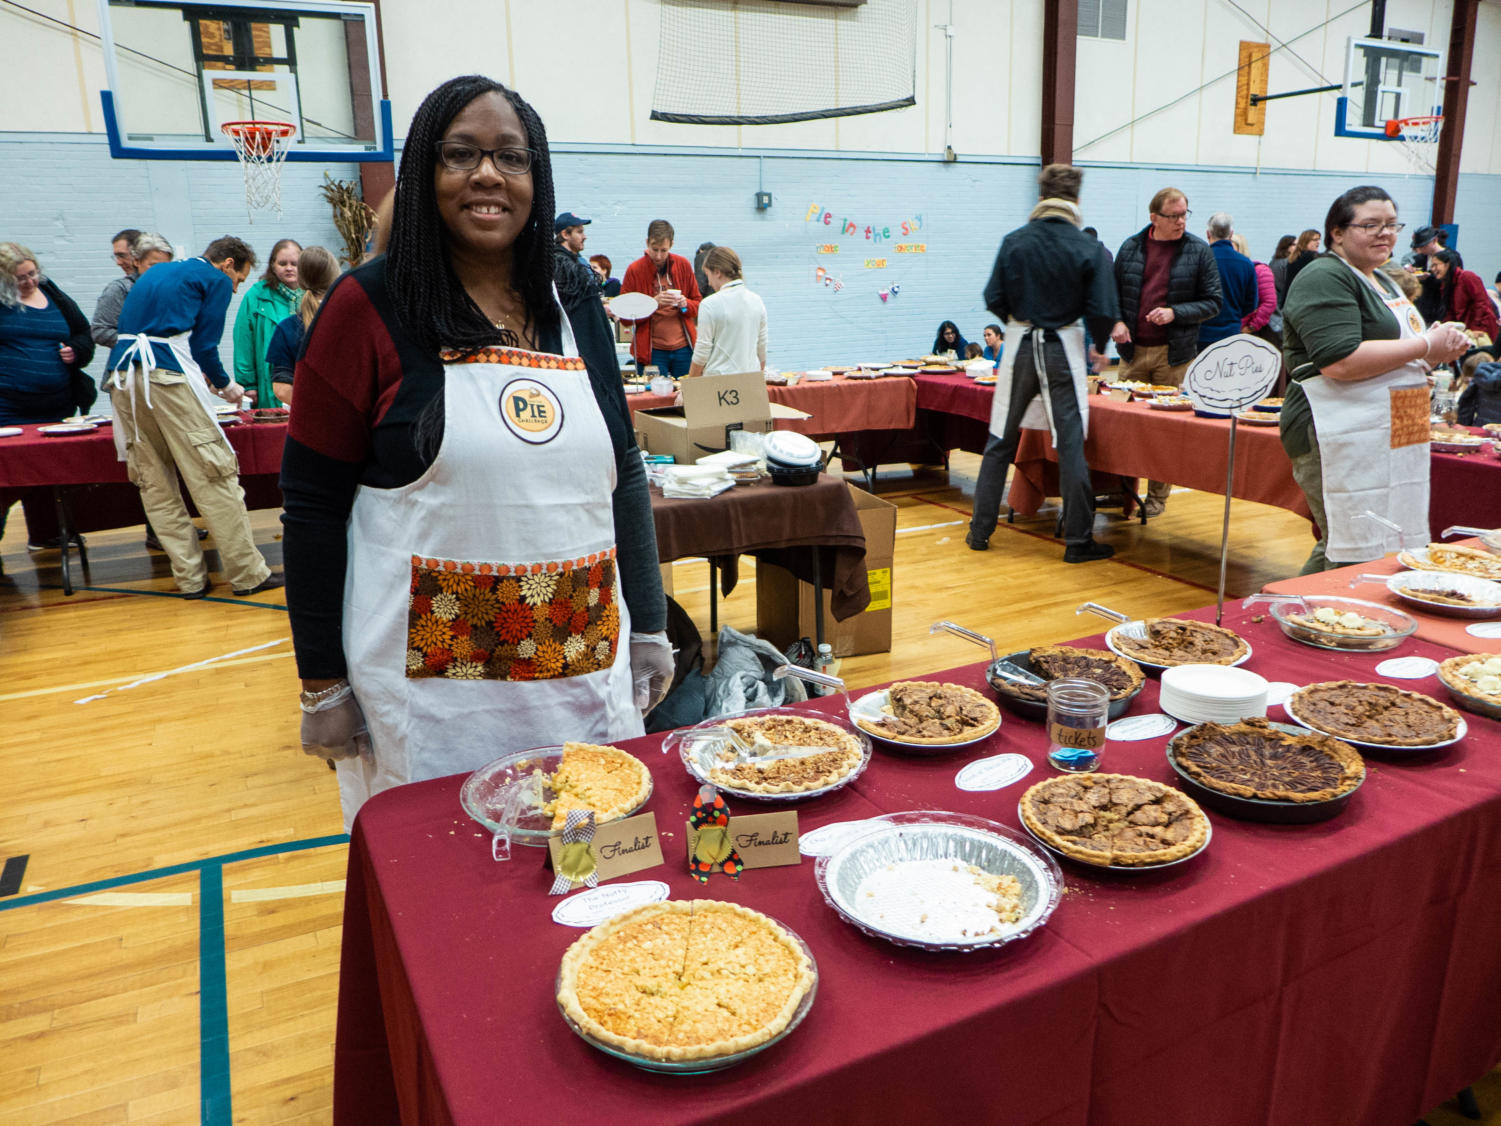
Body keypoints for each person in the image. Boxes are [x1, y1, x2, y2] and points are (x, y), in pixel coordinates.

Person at [279, 74, 671, 829]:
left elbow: (621, 466)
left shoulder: (572, 299)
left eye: (511, 157)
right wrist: (321, 680)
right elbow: (312, 506)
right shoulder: (365, 306)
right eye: (461, 154)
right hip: (435, 699)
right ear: (424, 174)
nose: (488, 174)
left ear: (537, 176)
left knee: (582, 879)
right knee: (460, 901)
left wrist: (649, 626)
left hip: (582, 673)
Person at [1279, 186, 1468, 574]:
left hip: (1394, 423)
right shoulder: (1325, 276)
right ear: (1337, 232)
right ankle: (1312, 618)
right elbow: (1340, 362)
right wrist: (1424, 345)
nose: (1385, 233)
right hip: (1337, 427)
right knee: (1353, 544)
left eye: (1391, 225)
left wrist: (1437, 348)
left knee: (1378, 541)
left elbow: (1398, 349)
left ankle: (1298, 612)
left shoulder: (1380, 279)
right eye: (1370, 225)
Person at [104, 237, 282, 598]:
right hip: (164, 376)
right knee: (213, 473)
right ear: (228, 264)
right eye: (239, 280)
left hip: (123, 378)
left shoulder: (157, 272)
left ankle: (190, 579)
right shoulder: (214, 279)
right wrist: (227, 386)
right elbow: (204, 346)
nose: (234, 290)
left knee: (155, 483)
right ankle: (247, 575)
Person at [969, 164, 1119, 564]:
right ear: (1077, 200)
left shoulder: (1014, 241)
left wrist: (1018, 323)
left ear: (1040, 197)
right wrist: (1100, 345)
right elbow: (1103, 307)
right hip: (1062, 346)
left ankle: (979, 532)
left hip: (1019, 343)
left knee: (1000, 439)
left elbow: (993, 296)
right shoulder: (1086, 246)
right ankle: (1077, 541)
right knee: (1070, 444)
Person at [1109, 187, 1221, 516]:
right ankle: (1123, 492)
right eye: (1174, 216)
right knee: (1123, 425)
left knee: (1165, 432)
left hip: (1174, 356)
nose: (1181, 221)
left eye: (1185, 214)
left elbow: (1215, 302)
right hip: (1131, 353)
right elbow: (1112, 294)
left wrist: (1176, 312)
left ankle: (1157, 498)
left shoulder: (1199, 251)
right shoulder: (1130, 247)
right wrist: (1116, 322)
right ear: (1154, 217)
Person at [0, 243, 97, 548]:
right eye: (20, 278)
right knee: (6, 481)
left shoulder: (52, 294)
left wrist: (76, 351)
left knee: (51, 472)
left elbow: (84, 334)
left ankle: (48, 534)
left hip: (58, 403)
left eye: (33, 274)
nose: (30, 282)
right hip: (8, 406)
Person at [621, 219, 701, 378]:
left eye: (663, 250)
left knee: (688, 395)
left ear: (671, 244)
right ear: (647, 243)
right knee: (655, 398)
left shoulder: (682, 265)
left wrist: (684, 305)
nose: (658, 256)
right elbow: (625, 317)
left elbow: (698, 305)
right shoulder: (635, 270)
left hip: (684, 348)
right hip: (653, 351)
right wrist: (652, 303)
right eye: (654, 249)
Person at [266, 246, 340, 407]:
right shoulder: (352, 323)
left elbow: (282, 389)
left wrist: (314, 410)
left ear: (300, 280)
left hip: (307, 421)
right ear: (336, 277)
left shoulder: (287, 328)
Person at [232, 238, 301, 408]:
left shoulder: (313, 295)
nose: (289, 268)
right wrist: (248, 384)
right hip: (269, 381)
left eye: (295, 263)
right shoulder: (257, 296)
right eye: (283, 263)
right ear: (273, 265)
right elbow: (243, 341)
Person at [686, 246, 766, 377]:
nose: (709, 283)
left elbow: (702, 351)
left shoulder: (708, 304)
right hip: (750, 378)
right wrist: (759, 376)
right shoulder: (757, 300)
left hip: (719, 381)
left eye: (708, 275)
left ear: (717, 272)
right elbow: (762, 347)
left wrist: (688, 387)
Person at [1198, 214, 1258, 349]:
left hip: (1201, 334)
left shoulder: (1199, 260)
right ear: (1231, 234)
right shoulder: (1246, 264)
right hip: (1231, 333)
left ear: (1208, 234)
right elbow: (1251, 303)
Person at [1430, 249, 1498, 345]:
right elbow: (1450, 312)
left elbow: (1482, 303)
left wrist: (1476, 328)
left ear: (1447, 264)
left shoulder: (1467, 276)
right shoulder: (1446, 284)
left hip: (1482, 330)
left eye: (1435, 265)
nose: (1432, 269)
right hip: (1466, 331)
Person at [90, 227, 142, 349]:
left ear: (139, 254)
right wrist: (142, 343)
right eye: (117, 256)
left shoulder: (167, 285)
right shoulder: (119, 289)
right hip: (131, 364)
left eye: (122, 256)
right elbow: (99, 331)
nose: (118, 262)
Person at [1230, 233, 1277, 337]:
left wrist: (1252, 326)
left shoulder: (1260, 271)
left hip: (1250, 331)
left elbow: (1269, 302)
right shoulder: (1228, 271)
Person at [1405, 225, 1446, 325]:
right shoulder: (1421, 258)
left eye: (1423, 246)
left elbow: (1450, 283)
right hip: (1421, 306)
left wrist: (1429, 278)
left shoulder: (1450, 257)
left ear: (1434, 241)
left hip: (1438, 307)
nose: (1420, 250)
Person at [1269, 234, 1297, 307]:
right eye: (1294, 245)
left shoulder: (1273, 261)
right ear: (1287, 247)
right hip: (1283, 300)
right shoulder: (1287, 263)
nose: (1297, 247)